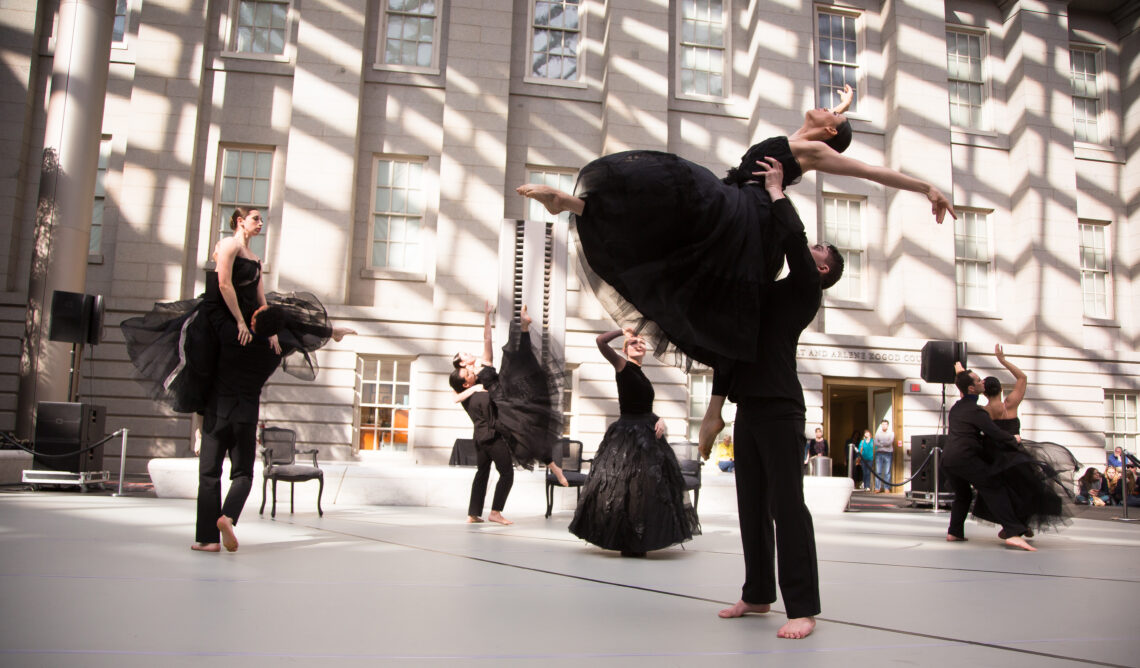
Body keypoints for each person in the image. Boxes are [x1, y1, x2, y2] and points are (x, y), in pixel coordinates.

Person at [516, 94, 952, 370]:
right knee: (673, 218)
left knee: (677, 183)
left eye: (829, 113)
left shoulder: (815, 149)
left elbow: (870, 170)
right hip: (737, 200)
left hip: (749, 213)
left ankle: (575, 204)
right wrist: (841, 109)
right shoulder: (809, 136)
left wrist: (926, 187)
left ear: (830, 131)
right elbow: (819, 129)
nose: (822, 106)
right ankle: (573, 204)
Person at [695, 157, 835, 639]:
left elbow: (795, 246)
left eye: (818, 251)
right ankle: (757, 593)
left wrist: (778, 191)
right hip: (750, 407)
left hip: (780, 407)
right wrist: (714, 409)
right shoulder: (762, 294)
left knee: (786, 506)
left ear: (822, 269)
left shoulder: (804, 292)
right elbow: (730, 354)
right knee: (750, 504)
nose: (809, 247)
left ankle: (803, 607)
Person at [193, 301, 354, 552]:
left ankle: (207, 539)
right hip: (245, 417)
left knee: (209, 474)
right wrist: (331, 332)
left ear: (253, 320)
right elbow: (298, 330)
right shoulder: (276, 349)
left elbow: (213, 310)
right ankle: (228, 517)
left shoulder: (230, 334)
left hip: (218, 413)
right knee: (243, 474)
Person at [122, 207, 285, 414]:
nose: (260, 223)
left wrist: (270, 330)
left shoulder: (255, 258)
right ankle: (203, 426)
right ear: (240, 221)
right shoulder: (229, 244)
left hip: (244, 313)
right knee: (206, 367)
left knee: (283, 325)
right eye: (256, 219)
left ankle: (329, 332)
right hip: (219, 314)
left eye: (261, 220)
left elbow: (260, 296)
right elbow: (224, 284)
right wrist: (239, 321)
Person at [567, 328, 700, 557]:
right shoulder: (623, 366)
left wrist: (660, 419)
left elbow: (642, 407)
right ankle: (627, 541)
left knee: (648, 489)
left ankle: (642, 538)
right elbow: (600, 341)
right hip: (627, 435)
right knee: (626, 488)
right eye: (634, 343)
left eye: (642, 343)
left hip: (647, 434)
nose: (639, 345)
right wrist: (622, 331)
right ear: (625, 350)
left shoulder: (642, 374)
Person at [451, 303, 566, 525]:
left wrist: (486, 316)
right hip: (500, 409)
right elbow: (455, 397)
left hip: (502, 399)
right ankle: (494, 512)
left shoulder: (482, 366)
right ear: (461, 366)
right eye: (463, 356)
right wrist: (474, 389)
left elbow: (487, 340)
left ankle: (473, 513)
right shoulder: (463, 383)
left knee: (518, 362)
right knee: (521, 440)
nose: (468, 354)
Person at [943, 369, 1035, 551]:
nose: (982, 383)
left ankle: (954, 532)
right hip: (965, 458)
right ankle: (1013, 533)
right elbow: (995, 432)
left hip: (948, 459)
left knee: (963, 495)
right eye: (978, 381)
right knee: (994, 487)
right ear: (971, 388)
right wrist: (1013, 439)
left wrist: (959, 370)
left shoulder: (957, 408)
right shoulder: (976, 411)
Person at [980, 344, 1028, 443]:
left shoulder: (982, 412)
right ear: (1001, 389)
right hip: (1013, 454)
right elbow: (1022, 378)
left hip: (992, 455)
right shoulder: (1010, 404)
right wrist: (1002, 360)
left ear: (984, 394)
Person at [872, 419, 895, 493]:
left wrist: (881, 443)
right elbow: (875, 442)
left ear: (887, 425)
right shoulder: (878, 433)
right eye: (883, 424)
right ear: (881, 425)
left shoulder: (891, 433)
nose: (884, 426)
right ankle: (877, 488)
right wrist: (884, 443)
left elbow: (890, 442)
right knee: (878, 471)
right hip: (879, 453)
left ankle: (886, 488)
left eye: (885, 424)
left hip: (888, 453)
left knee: (887, 472)